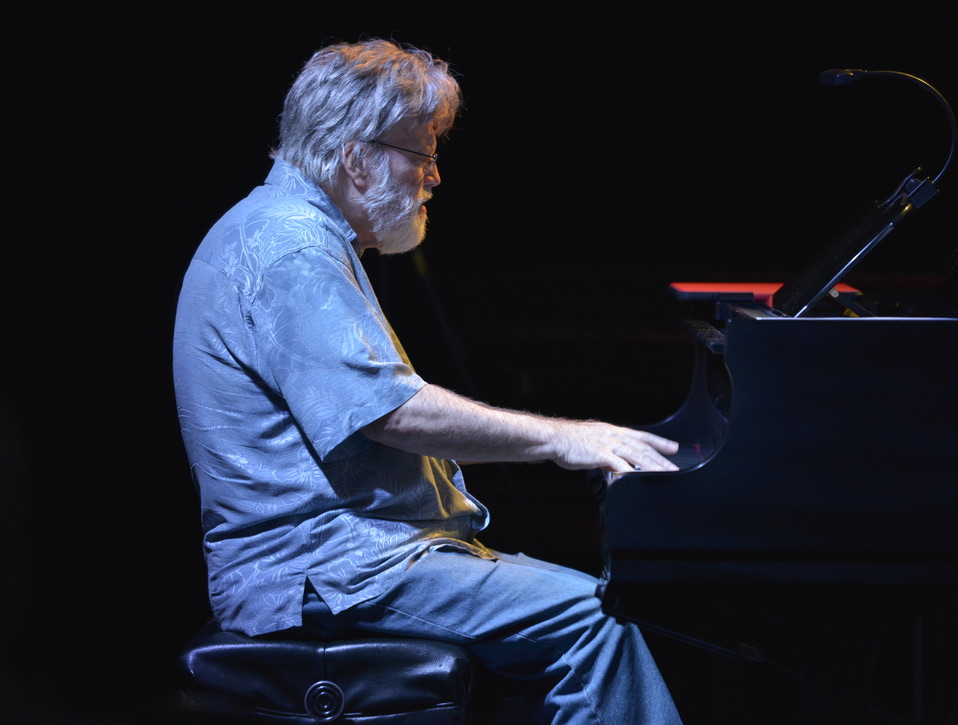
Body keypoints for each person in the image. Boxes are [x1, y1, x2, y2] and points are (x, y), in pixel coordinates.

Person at [172, 38, 683, 724]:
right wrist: (567, 439)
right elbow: (391, 413)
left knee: (583, 607)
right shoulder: (290, 245)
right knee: (597, 621)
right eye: (423, 154)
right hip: (328, 569)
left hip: (355, 557)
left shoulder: (290, 231)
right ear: (356, 158)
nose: (435, 177)